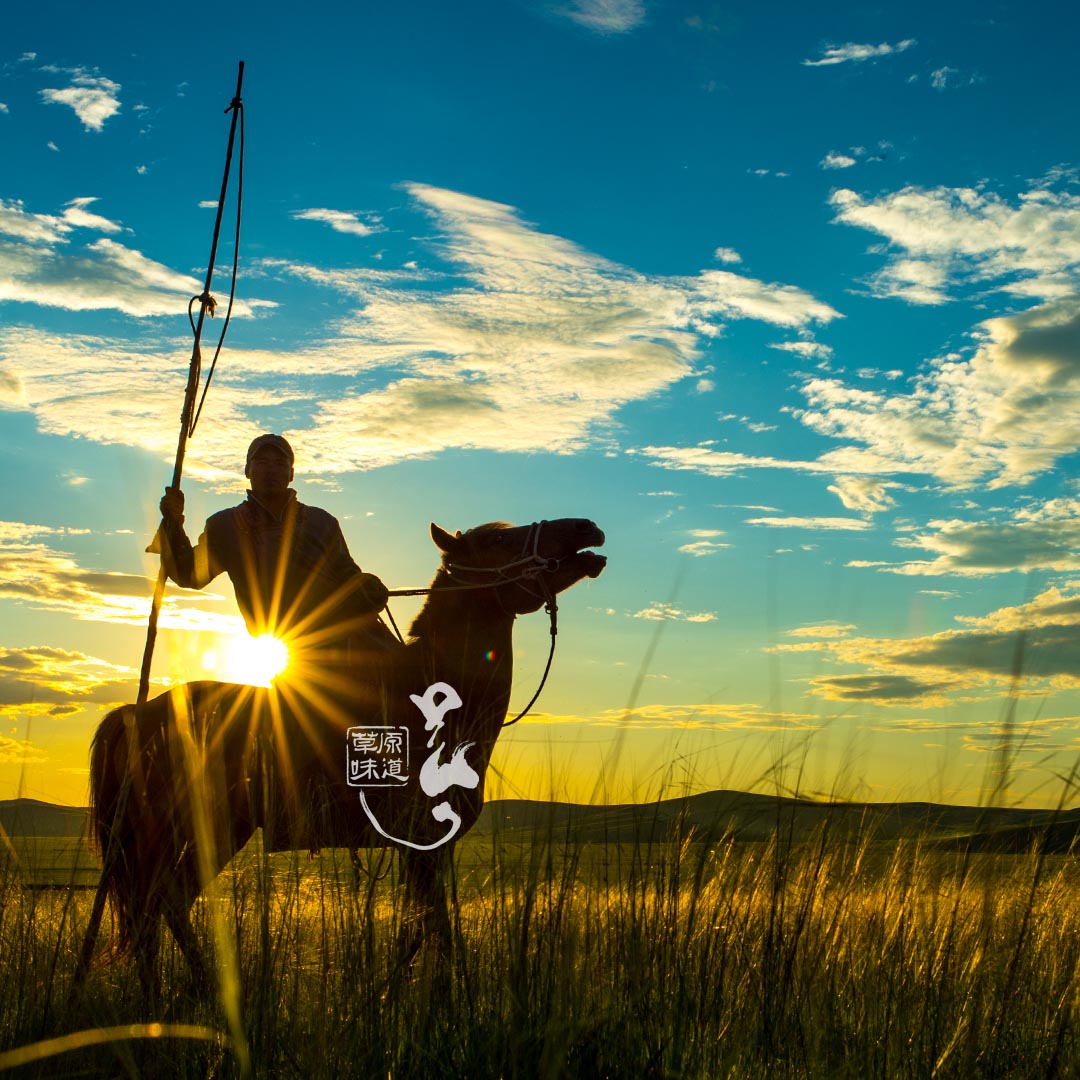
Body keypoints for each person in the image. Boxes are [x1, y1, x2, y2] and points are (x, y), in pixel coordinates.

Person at [157, 434, 397, 679]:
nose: (271, 470)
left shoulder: (321, 521)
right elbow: (188, 574)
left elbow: (348, 575)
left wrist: (368, 586)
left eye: (280, 464)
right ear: (247, 470)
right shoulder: (225, 525)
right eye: (261, 462)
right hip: (290, 651)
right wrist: (173, 524)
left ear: (291, 474)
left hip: (347, 640)